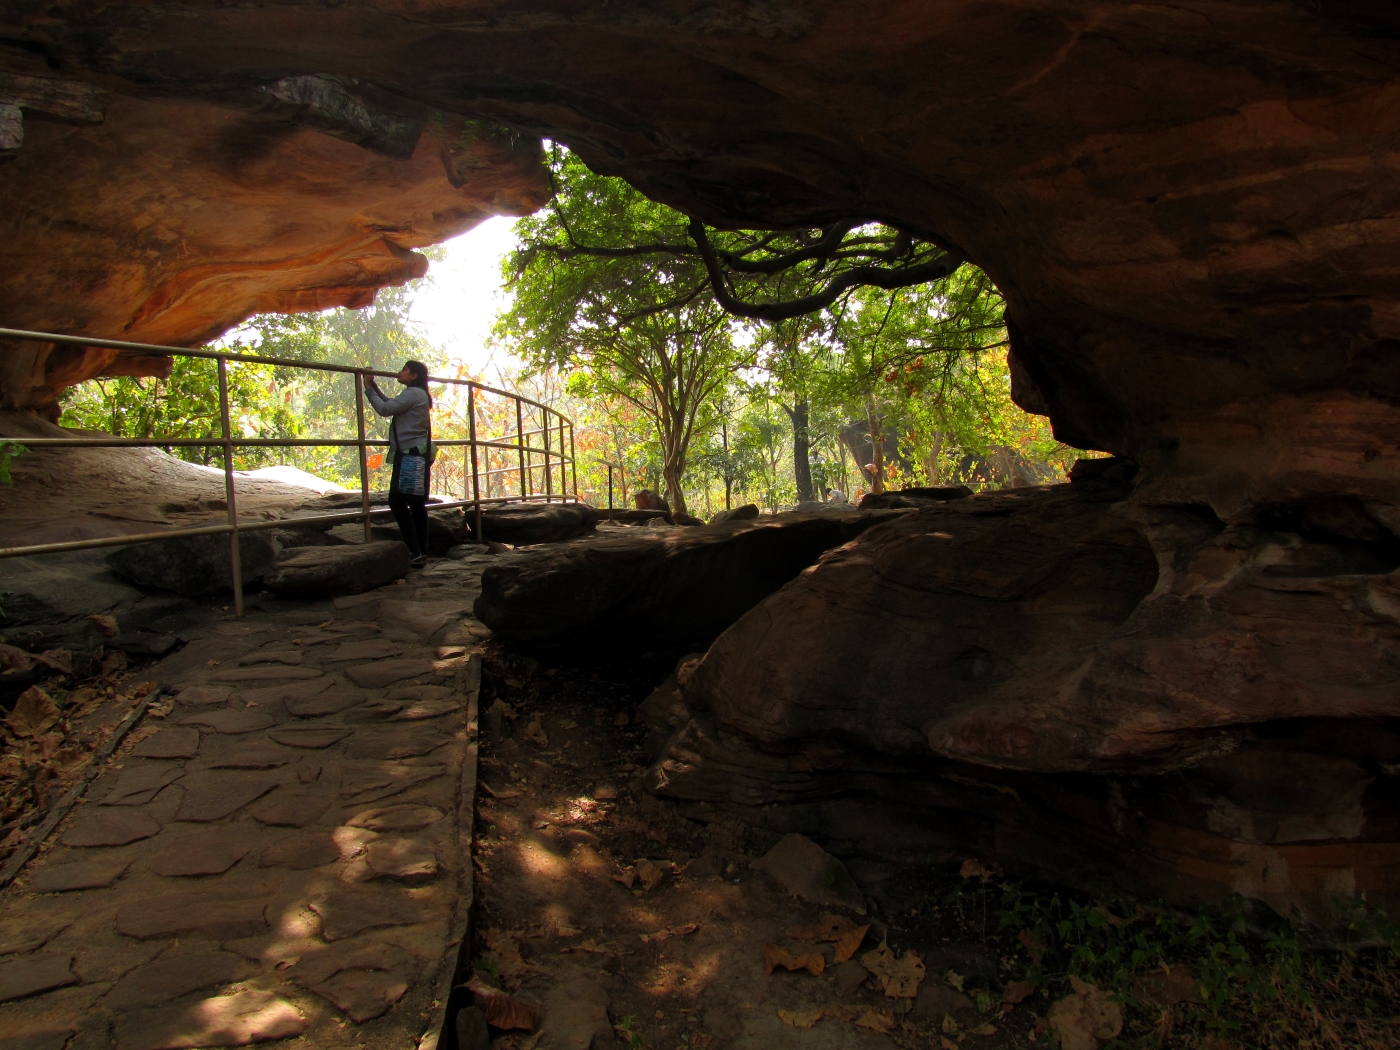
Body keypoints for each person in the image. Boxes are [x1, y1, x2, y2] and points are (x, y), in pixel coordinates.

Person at [365, 361, 434, 567]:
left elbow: (385, 409)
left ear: (413, 375)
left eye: (404, 369)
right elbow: (392, 405)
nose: (400, 372)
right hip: (416, 452)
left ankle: (415, 550)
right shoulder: (417, 394)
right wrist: (374, 387)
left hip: (410, 453)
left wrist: (368, 388)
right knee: (415, 503)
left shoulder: (413, 394)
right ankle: (421, 550)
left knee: (397, 500)